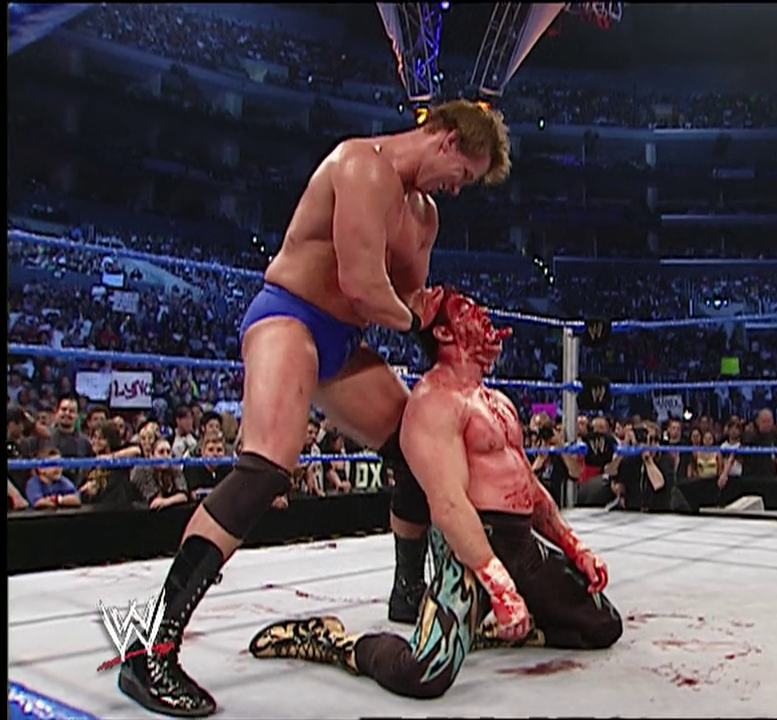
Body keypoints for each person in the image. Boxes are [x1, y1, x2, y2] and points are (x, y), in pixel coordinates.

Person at [118, 101, 513, 718]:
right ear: (444, 139)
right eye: (462, 173)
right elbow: (364, 287)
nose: (458, 188)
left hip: (342, 343)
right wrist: (423, 321)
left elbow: (409, 297)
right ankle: (150, 651)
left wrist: (443, 328)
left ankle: (407, 591)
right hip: (290, 317)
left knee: (414, 449)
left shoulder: (425, 215)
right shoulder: (361, 165)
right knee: (265, 470)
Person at [246, 290, 622, 699]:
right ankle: (332, 641)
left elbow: (528, 487)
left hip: (521, 543)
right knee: (422, 674)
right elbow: (447, 504)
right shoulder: (433, 402)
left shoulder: (498, 402)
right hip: (470, 549)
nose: (482, 315)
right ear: (443, 333)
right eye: (466, 311)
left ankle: (482, 630)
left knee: (603, 626)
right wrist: (499, 585)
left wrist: (574, 547)